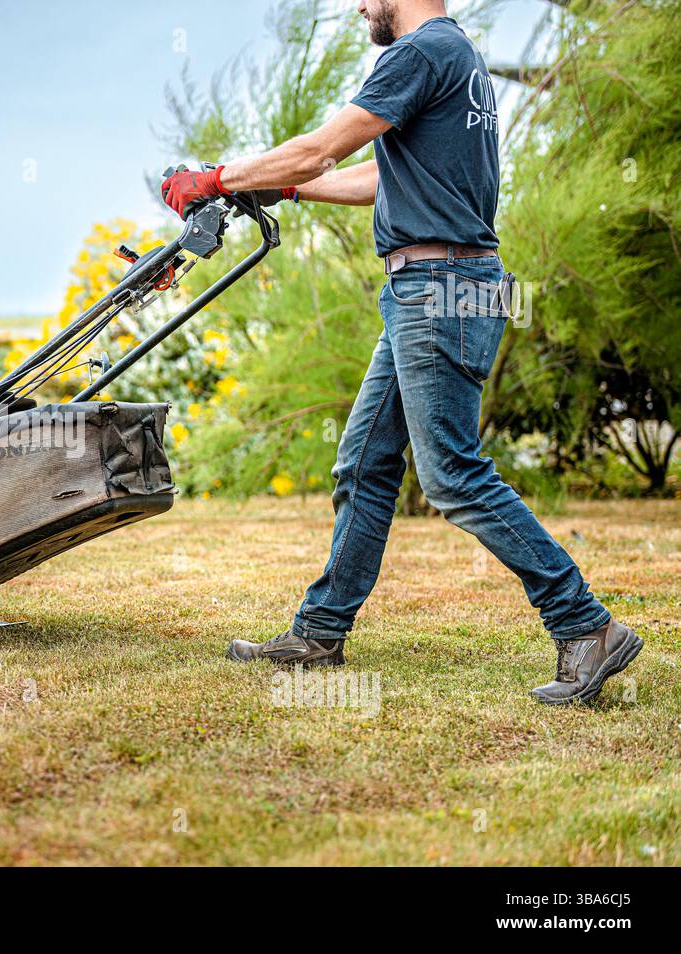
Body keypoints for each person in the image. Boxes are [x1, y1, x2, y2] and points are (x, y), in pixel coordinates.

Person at [159, 0, 642, 705]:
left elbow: (325, 146)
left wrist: (219, 177)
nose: (359, 6)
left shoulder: (417, 54)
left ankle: (584, 624)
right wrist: (286, 184)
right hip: (442, 284)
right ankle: (320, 630)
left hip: (437, 288)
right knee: (365, 461)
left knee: (450, 474)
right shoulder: (460, 60)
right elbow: (379, 179)